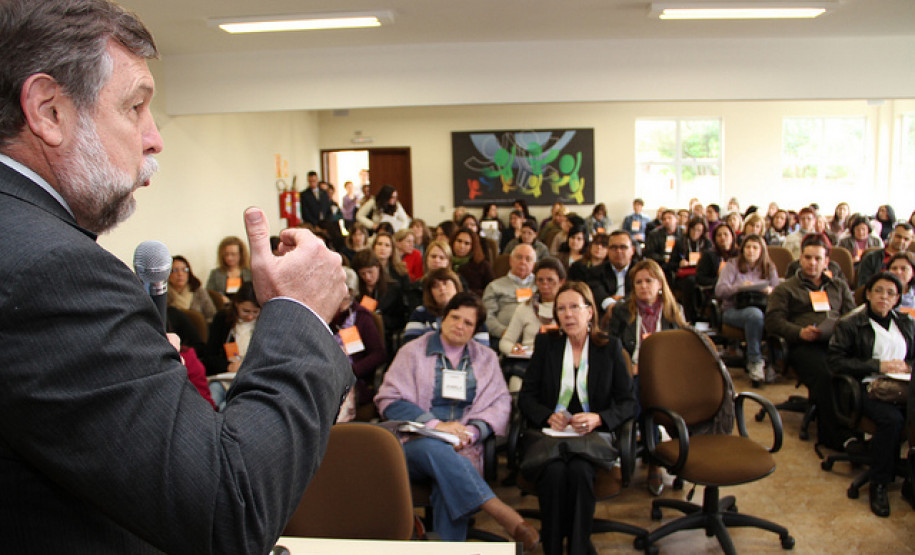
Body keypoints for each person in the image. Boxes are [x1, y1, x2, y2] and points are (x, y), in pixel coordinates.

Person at [0, 2, 352, 551]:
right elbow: (230, 508)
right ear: (48, 111)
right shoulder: (54, 271)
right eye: (135, 106)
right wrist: (301, 314)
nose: (154, 138)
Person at [375, 293, 539, 548]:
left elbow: (500, 403)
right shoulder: (412, 351)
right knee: (433, 447)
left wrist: (472, 432)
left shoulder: (486, 358)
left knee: (447, 483)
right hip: (416, 443)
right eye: (455, 317)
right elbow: (389, 399)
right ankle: (497, 509)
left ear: (475, 330)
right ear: (443, 317)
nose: (459, 325)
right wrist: (435, 426)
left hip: (464, 447)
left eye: (468, 323)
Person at [519, 281, 638, 555]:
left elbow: (628, 402)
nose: (568, 314)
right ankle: (552, 548)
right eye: (561, 309)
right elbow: (526, 397)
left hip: (591, 437)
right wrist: (548, 416)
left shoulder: (609, 347)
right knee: (554, 473)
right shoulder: (546, 344)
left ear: (590, 312)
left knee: (581, 472)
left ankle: (577, 548)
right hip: (550, 437)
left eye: (574, 307)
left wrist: (599, 418)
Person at [828, 272, 914, 517]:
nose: (884, 297)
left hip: (903, 387)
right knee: (893, 420)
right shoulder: (851, 323)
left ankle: (910, 480)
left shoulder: (906, 322)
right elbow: (835, 362)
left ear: (898, 298)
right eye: (879, 290)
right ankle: (879, 483)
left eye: (891, 293)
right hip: (866, 386)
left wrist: (908, 367)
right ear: (868, 293)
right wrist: (877, 366)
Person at [764, 234, 856, 450]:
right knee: (827, 373)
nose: (812, 263)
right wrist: (799, 332)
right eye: (807, 257)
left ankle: (855, 428)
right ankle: (835, 436)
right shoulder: (785, 289)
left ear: (826, 261)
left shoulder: (838, 286)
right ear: (800, 258)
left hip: (836, 342)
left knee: (855, 368)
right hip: (804, 345)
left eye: (817, 258)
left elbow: (853, 316)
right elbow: (773, 322)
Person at [604, 259, 686, 496]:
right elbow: (612, 349)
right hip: (633, 373)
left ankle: (652, 456)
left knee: (650, 394)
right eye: (638, 282)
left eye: (648, 281)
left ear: (660, 284)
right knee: (640, 391)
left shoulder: (674, 311)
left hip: (668, 375)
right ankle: (653, 460)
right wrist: (630, 366)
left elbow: (683, 350)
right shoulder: (622, 311)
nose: (643, 286)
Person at [715, 234, 781, 386]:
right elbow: (719, 291)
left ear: (761, 251)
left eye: (755, 248)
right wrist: (739, 288)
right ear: (742, 249)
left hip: (763, 308)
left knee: (775, 317)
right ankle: (755, 361)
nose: (751, 251)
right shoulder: (732, 265)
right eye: (748, 247)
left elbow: (779, 291)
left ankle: (773, 362)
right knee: (755, 315)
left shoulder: (769, 267)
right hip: (733, 310)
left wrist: (770, 290)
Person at [331, 269, 386, 420]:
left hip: (352, 378)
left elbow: (379, 354)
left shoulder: (362, 317)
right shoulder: (325, 313)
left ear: (350, 291)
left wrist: (353, 370)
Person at [403, 268, 490, 346]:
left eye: (445, 283)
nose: (442, 288)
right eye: (435, 286)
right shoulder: (420, 313)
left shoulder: (474, 313)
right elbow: (410, 346)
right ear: (430, 293)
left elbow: (483, 349)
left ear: (456, 286)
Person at [500, 257, 566, 359]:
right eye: (540, 280)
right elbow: (505, 341)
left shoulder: (568, 309)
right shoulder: (525, 307)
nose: (545, 285)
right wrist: (514, 349)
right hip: (529, 361)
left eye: (550, 280)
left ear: (561, 282)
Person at [350, 249, 406, 354]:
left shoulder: (393, 288)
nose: (367, 277)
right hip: (357, 337)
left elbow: (400, 320)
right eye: (363, 274)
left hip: (383, 337)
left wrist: (379, 319)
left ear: (378, 267)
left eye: (370, 272)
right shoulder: (356, 291)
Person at [483, 244, 537, 342]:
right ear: (511, 261)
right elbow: (487, 316)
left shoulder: (540, 286)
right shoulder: (494, 286)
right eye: (519, 257)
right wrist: (504, 332)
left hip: (536, 338)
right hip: (503, 337)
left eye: (528, 259)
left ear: (534, 264)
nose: (523, 262)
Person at [666, 216, 711, 322]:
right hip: (685, 275)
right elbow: (671, 264)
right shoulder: (681, 242)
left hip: (701, 274)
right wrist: (679, 264)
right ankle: (690, 315)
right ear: (689, 229)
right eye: (693, 229)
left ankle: (703, 313)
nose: (695, 232)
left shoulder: (707, 244)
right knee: (690, 282)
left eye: (699, 230)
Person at [856, 222, 914, 288]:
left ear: (910, 241)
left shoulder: (913, 261)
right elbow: (863, 285)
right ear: (891, 235)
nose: (901, 241)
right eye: (898, 236)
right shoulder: (871, 258)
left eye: (906, 239)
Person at [168, 255, 218, 323]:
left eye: (184, 270)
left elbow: (212, 316)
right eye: (175, 270)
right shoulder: (163, 293)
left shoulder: (198, 290)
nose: (180, 274)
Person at [205, 236, 253, 304]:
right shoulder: (215, 273)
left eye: (233, 254)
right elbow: (208, 294)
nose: (229, 258)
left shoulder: (250, 273)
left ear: (241, 254)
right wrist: (219, 298)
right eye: (226, 254)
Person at [451, 226, 494, 296]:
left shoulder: (482, 265)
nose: (462, 246)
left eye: (467, 243)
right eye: (459, 241)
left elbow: (491, 290)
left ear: (472, 246)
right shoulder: (445, 261)